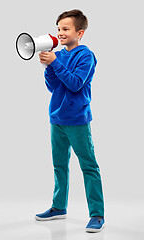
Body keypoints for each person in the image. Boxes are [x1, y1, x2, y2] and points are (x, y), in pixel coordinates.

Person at [35, 9, 105, 233]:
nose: (60, 33)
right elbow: (54, 87)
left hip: (77, 120)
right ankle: (58, 207)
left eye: (65, 29)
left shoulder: (86, 55)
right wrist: (48, 67)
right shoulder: (60, 55)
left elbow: (75, 84)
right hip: (56, 118)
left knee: (89, 166)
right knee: (59, 166)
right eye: (58, 29)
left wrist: (54, 62)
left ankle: (97, 214)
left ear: (80, 32)